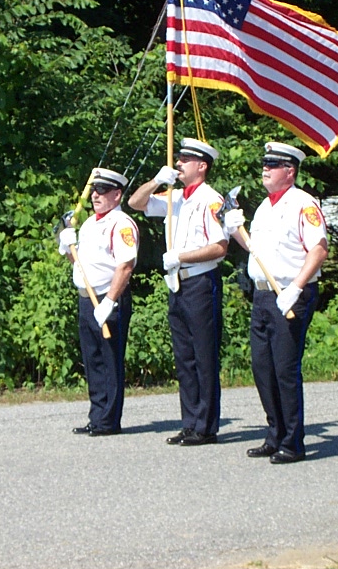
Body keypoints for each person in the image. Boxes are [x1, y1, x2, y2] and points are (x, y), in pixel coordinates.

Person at [224, 142, 328, 464]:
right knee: (262, 368)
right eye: (265, 163)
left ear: (290, 171)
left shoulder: (303, 204)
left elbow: (319, 249)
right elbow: (256, 249)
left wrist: (295, 288)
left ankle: (293, 442)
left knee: (284, 369)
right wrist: (234, 228)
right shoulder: (264, 208)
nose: (265, 168)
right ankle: (275, 434)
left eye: (273, 164)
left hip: (290, 295)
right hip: (263, 294)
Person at [128, 138, 228, 446]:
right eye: (179, 158)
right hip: (177, 283)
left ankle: (206, 426)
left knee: (203, 356)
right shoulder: (177, 198)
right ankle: (190, 421)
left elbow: (219, 247)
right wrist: (156, 181)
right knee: (184, 357)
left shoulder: (211, 200)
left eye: (186, 160)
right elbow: (136, 203)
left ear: (202, 166)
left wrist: (182, 257)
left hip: (199, 281)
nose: (180, 163)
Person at [58, 168, 138, 437]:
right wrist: (67, 245)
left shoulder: (121, 223)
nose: (96, 196)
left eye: (103, 191)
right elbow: (80, 263)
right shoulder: (91, 223)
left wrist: (110, 302)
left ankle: (109, 421)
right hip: (86, 298)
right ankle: (97, 415)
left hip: (107, 298)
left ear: (117, 194)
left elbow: (125, 266)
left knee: (109, 359)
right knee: (92, 359)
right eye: (94, 191)